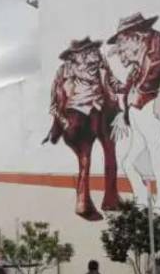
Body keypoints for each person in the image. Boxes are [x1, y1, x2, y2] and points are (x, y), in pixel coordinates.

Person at [108, 12, 160, 214]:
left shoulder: (157, 44)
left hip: (150, 107)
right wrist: (122, 112)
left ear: (136, 37)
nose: (121, 51)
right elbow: (126, 87)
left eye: (122, 43)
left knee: (155, 151)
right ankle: (143, 198)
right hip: (137, 110)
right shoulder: (137, 67)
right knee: (128, 162)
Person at [43, 37, 123, 221]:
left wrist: (129, 87)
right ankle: (83, 204)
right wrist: (63, 123)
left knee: (111, 155)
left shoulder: (101, 64)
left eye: (93, 50)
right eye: (87, 52)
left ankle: (111, 199)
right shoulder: (63, 71)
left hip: (103, 112)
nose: (93, 55)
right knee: (85, 161)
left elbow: (113, 83)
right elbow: (54, 104)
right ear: (75, 57)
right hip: (77, 116)